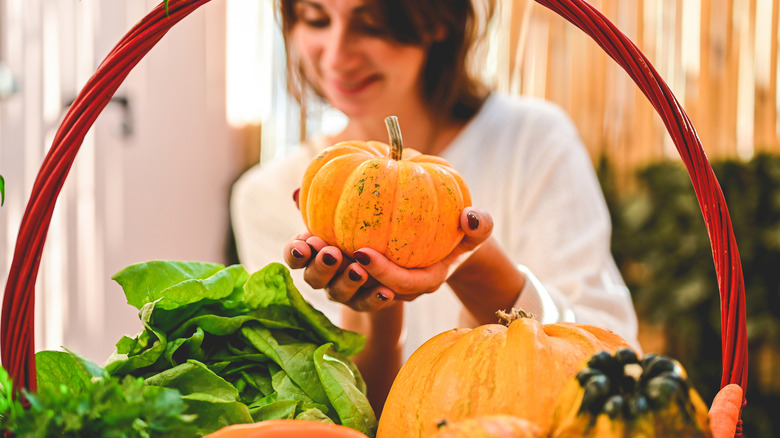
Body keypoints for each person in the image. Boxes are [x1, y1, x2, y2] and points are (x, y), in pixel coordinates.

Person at [230, 0, 640, 414]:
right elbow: (342, 420)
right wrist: (378, 310)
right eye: (315, 19)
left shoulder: (533, 141)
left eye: (372, 23)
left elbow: (614, 362)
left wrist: (473, 265)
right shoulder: (268, 195)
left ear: (436, 19)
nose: (337, 56)